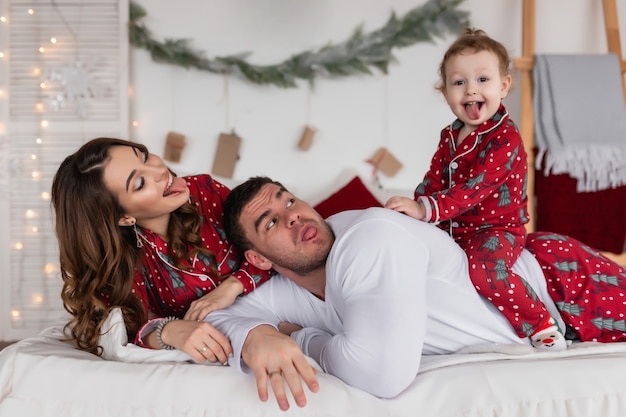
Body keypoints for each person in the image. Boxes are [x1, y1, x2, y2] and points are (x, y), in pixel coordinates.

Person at [205, 176, 626, 411]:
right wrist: (257, 336)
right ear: (258, 261)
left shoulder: (368, 237)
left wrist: (300, 339)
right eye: (272, 222)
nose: (295, 216)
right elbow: (214, 318)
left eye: (290, 199)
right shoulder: (284, 287)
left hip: (558, 283)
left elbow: (382, 375)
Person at [384, 28, 565, 350]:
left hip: (497, 228)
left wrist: (427, 209)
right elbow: (435, 179)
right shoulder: (450, 135)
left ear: (504, 86)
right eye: (459, 82)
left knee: (484, 269)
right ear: (445, 93)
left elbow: (474, 188)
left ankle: (540, 324)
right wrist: (414, 208)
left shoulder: (505, 139)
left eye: (483, 80)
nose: (471, 90)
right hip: (454, 229)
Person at [50, 137, 273, 363]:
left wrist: (232, 287)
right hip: (240, 336)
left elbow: (275, 246)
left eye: (144, 157)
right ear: (124, 217)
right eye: (139, 183)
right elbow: (122, 339)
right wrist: (169, 332)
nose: (159, 171)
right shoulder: (128, 262)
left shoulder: (206, 191)